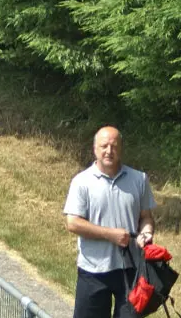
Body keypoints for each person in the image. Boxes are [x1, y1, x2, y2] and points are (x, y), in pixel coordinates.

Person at [64, 127, 156, 318]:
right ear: (94, 149)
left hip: (131, 270)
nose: (109, 151)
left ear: (121, 148)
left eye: (114, 146)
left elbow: (146, 217)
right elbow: (73, 223)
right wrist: (110, 234)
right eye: (104, 146)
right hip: (93, 271)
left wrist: (146, 234)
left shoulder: (139, 179)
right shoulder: (81, 182)